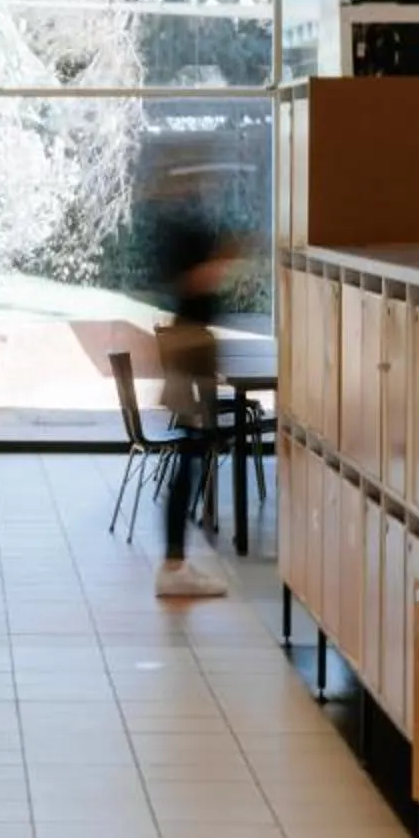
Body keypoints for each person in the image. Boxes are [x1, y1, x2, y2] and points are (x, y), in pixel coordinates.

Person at [149, 171, 239, 599]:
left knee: (193, 454)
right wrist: (220, 262)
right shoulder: (176, 230)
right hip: (189, 351)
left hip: (192, 348)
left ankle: (176, 561)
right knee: (189, 455)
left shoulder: (176, 225)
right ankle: (174, 564)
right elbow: (189, 281)